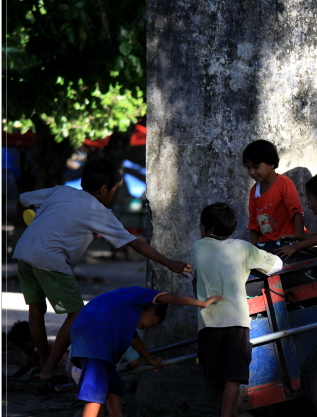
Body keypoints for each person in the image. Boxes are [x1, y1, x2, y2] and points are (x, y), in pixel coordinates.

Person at [13, 157, 190, 382]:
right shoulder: (98, 211)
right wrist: (169, 262)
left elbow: (24, 199)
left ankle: (44, 362)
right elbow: (135, 243)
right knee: (76, 314)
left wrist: (41, 216)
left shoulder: (62, 191)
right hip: (51, 260)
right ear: (104, 189)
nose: (113, 194)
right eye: (115, 190)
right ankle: (49, 368)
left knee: (35, 311)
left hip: (24, 251)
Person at [69, 286, 220, 417]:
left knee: (113, 391)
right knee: (95, 390)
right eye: (151, 324)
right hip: (94, 339)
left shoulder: (127, 312)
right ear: (153, 307)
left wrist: (149, 359)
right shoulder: (141, 295)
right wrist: (202, 304)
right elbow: (172, 298)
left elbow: (134, 339)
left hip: (97, 339)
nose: (145, 328)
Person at [190, 202, 284, 417]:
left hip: (208, 322)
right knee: (232, 377)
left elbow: (195, 280)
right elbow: (276, 266)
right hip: (236, 320)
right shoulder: (243, 247)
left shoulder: (198, 248)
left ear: (208, 227)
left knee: (214, 380)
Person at [243, 140, 304, 256]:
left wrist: (297, 243)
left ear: (271, 164)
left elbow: (297, 213)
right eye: (248, 168)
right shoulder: (254, 192)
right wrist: (255, 251)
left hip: (287, 244)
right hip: (266, 246)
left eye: (256, 167)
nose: (251, 172)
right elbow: (253, 224)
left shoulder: (283, 183)